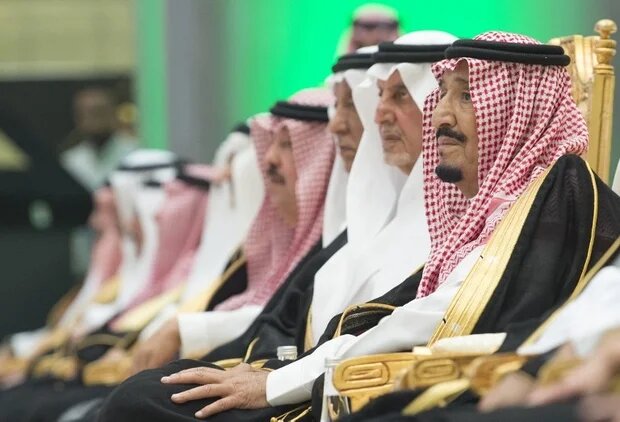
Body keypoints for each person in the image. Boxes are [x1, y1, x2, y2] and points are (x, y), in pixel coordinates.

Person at [95, 30, 456, 422]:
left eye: (400, 95)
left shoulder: (454, 233)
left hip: (338, 397)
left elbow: (396, 335)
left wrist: (272, 379)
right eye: (379, 96)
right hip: (298, 384)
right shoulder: (370, 227)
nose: (376, 115)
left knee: (141, 400)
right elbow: (281, 320)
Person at [60, 87, 137, 192]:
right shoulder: (70, 160)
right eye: (87, 113)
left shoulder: (134, 151)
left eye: (99, 111)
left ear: (113, 113)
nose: (94, 119)